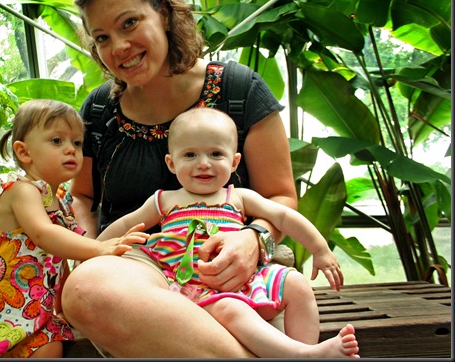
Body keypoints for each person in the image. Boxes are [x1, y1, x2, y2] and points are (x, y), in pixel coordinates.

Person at [60, 0, 305, 357]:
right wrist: (91, 251)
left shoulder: (239, 90)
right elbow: (82, 196)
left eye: (129, 23)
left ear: (163, 13)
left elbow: (281, 197)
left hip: (233, 277)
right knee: (85, 290)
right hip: (138, 276)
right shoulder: (99, 110)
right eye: (102, 37)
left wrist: (252, 239)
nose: (118, 48)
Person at [98, 107, 359, 358]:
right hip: (198, 291)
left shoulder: (238, 197)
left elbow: (283, 216)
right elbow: (124, 225)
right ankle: (301, 355)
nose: (203, 164)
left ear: (234, 162)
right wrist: (93, 250)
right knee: (233, 308)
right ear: (171, 163)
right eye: (190, 155)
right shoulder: (163, 201)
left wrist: (319, 249)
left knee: (297, 284)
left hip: (248, 279)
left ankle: (307, 349)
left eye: (215, 154)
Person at [0, 99, 148, 358]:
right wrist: (99, 248)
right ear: (24, 152)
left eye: (77, 143)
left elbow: (58, 258)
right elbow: (44, 234)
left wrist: (65, 309)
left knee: (50, 348)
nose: (71, 149)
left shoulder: (60, 200)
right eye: (57, 141)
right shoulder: (22, 190)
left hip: (26, 311)